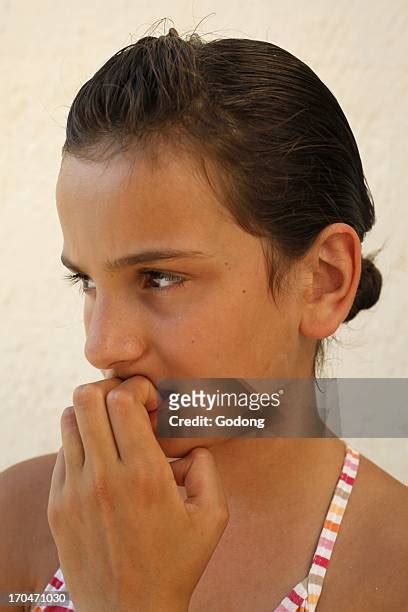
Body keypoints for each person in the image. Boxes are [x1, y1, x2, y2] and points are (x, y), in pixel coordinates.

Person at [1, 26, 407, 612]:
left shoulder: (393, 573)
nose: (101, 345)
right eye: (87, 280)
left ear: (323, 281)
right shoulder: (23, 523)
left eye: (159, 278)